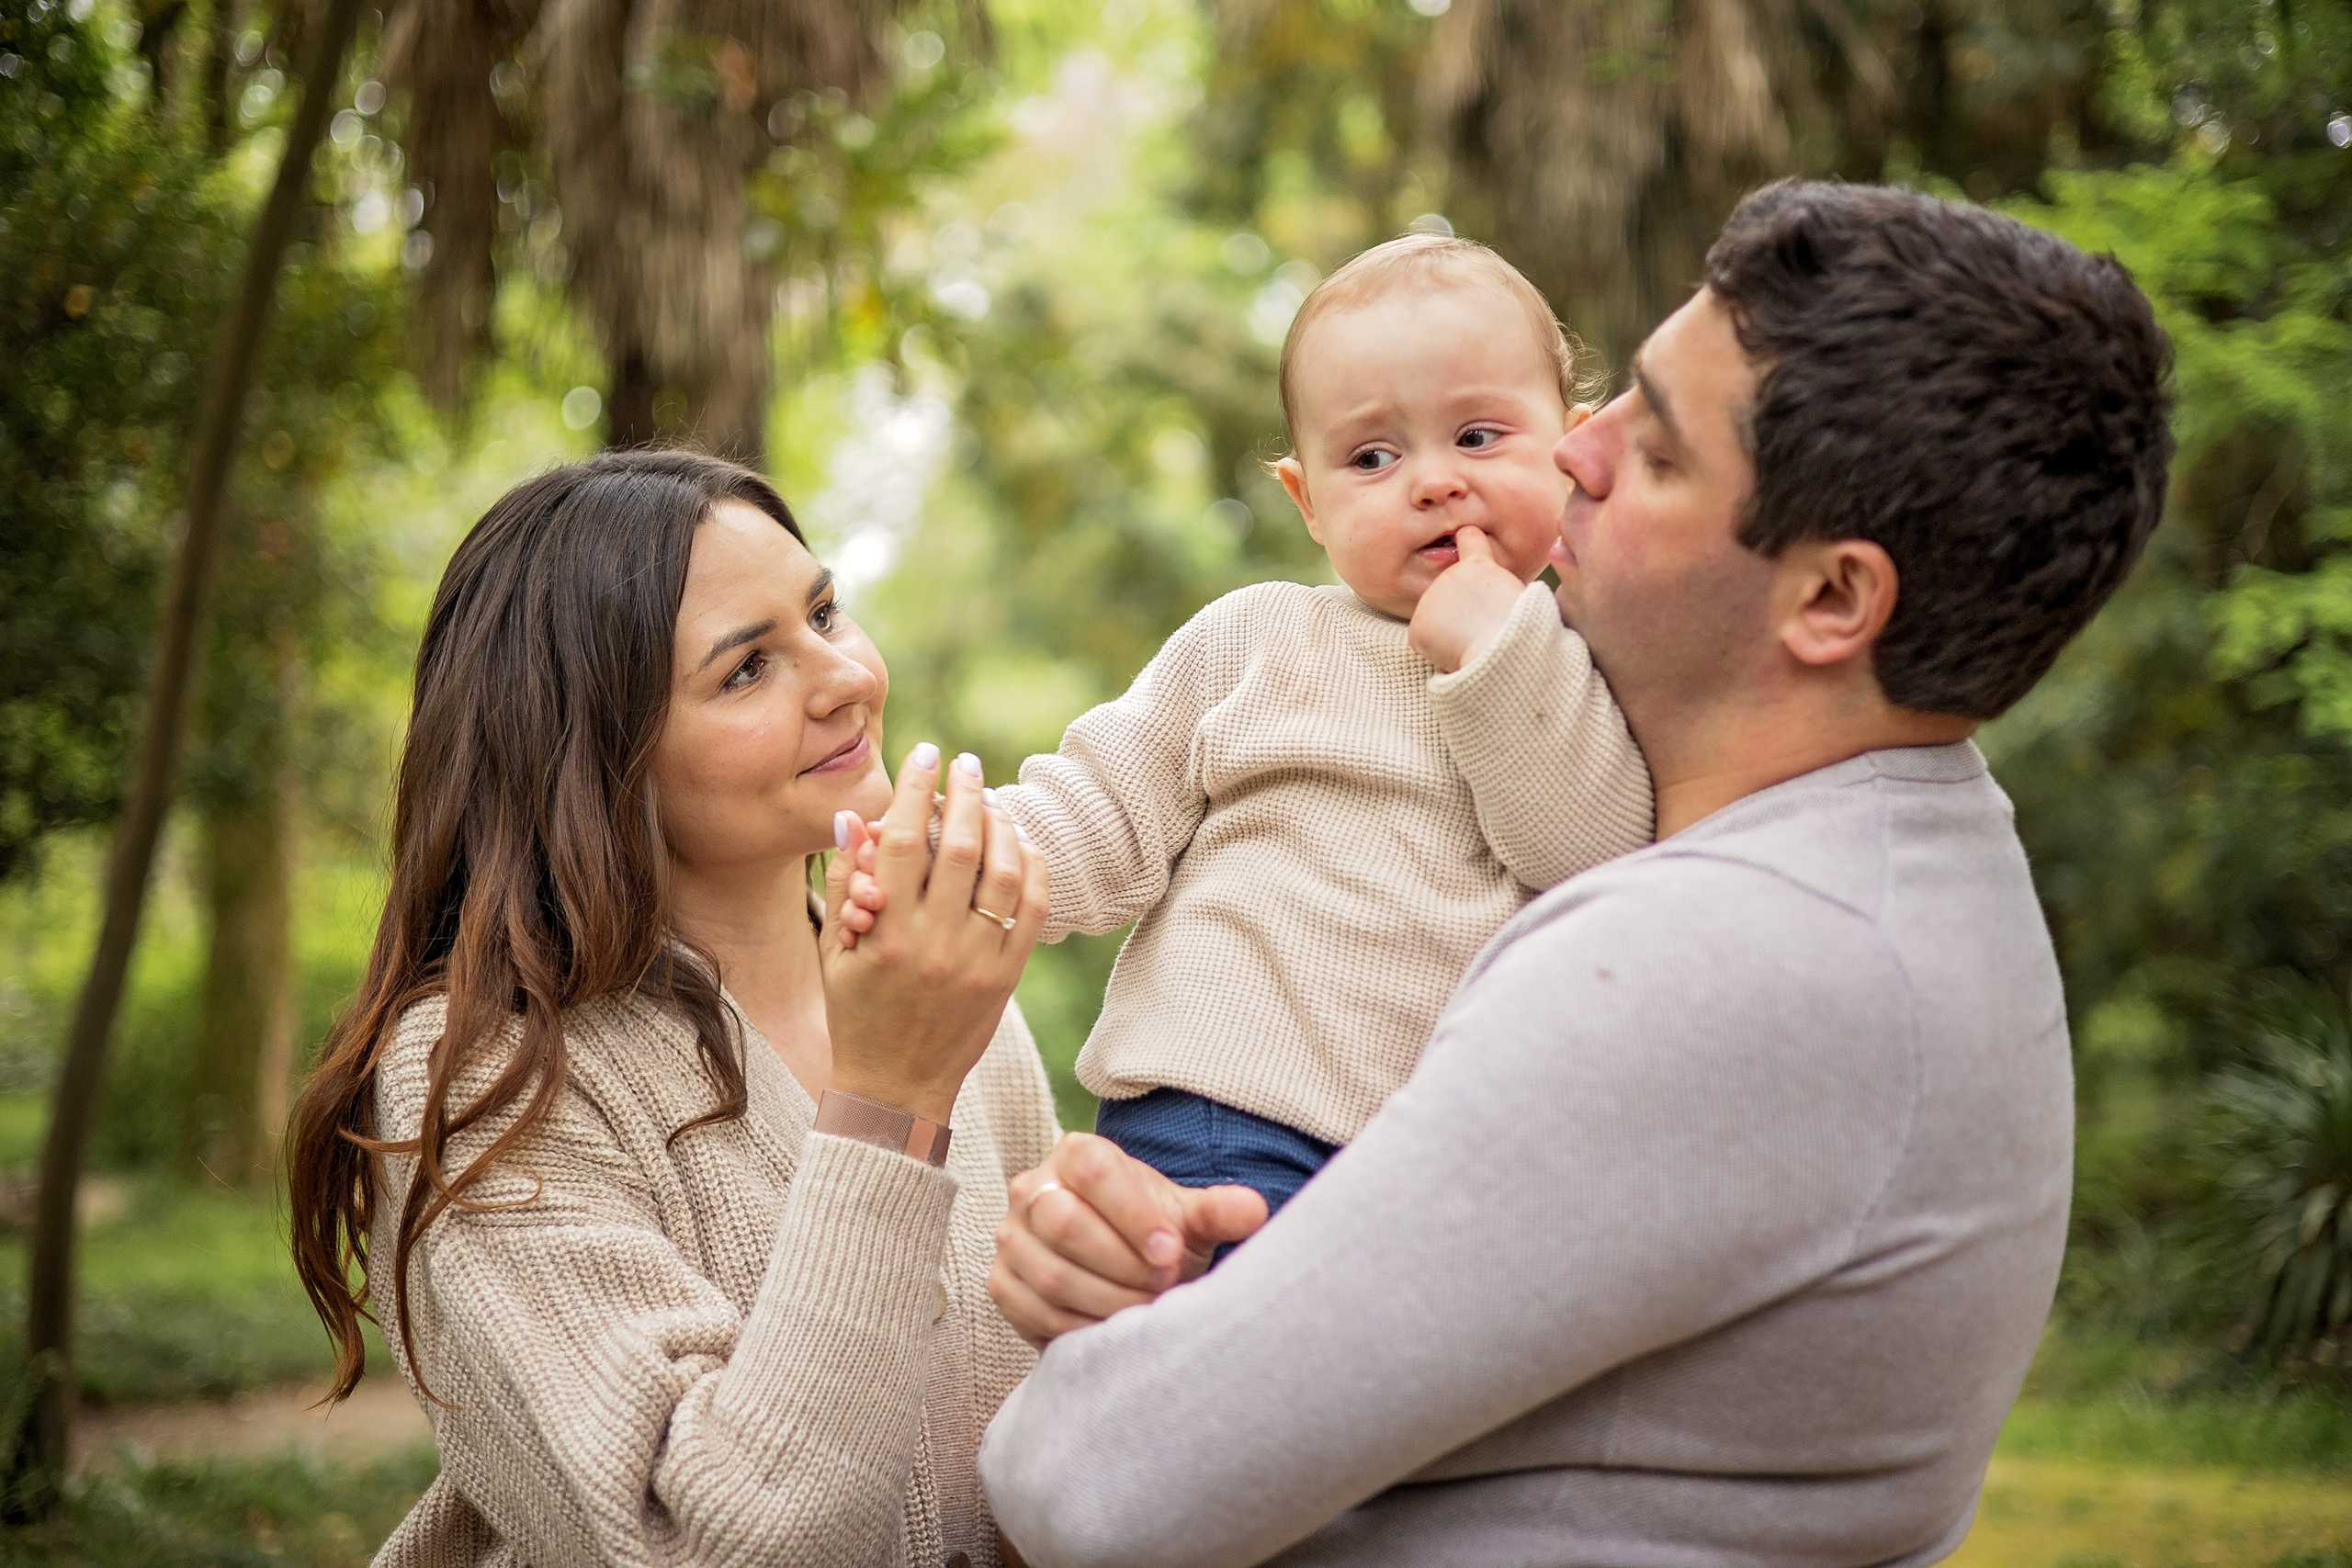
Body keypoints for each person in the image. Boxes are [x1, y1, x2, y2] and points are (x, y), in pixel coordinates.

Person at [978, 180, 2176, 1565]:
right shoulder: (1901, 859)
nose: (1577, 452)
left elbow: (1094, 1485)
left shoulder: (1734, 958)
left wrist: (1096, 1353)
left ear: (1833, 597)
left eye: (1654, 447)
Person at [284, 451, 1057, 1568]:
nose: (845, 677)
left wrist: (1125, 1290)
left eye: (824, 614)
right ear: (597, 755)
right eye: (746, 669)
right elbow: (717, 1544)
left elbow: (1044, 1433)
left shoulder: (943, 990)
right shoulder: (485, 1073)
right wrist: (891, 1101)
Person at [847, 234, 1650, 1223]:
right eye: (1372, 457)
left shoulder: (1590, 666)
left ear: (1570, 451)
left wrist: (1499, 648)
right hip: (1216, 1115)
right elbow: (1103, 807)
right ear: (1308, 502)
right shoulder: (1260, 639)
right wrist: (955, 859)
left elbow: (1592, 854)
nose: (1433, 482)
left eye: (1478, 437)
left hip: (1437, 1165)